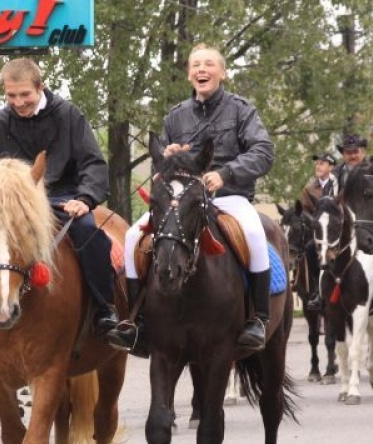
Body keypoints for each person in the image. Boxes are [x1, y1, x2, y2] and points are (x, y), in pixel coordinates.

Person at [0, 58, 119, 356]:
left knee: (89, 232)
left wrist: (86, 198)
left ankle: (104, 310)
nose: (19, 102)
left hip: (62, 198)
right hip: (11, 203)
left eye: (25, 94)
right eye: (11, 96)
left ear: (40, 87)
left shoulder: (68, 115)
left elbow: (93, 162)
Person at [110, 43, 275, 354]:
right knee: (133, 236)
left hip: (228, 197)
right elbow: (165, 161)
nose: (202, 69)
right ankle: (136, 321)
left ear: (222, 73)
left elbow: (263, 152)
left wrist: (226, 173)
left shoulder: (242, 110)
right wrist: (167, 160)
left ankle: (259, 319)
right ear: (189, 75)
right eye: (196, 65)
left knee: (254, 234)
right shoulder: (176, 116)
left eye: (209, 64)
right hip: (183, 200)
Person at [298, 152, 337, 311]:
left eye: (322, 163)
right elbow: (304, 211)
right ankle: (316, 290)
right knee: (309, 248)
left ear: (331, 167)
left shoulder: (339, 184)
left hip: (338, 230)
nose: (318, 166)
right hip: (320, 233)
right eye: (317, 164)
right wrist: (315, 222)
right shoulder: (309, 189)